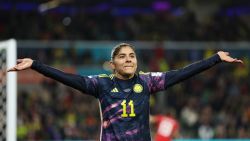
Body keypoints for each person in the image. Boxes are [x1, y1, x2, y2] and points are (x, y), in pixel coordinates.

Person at [8, 43, 243, 141]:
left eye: (132, 55)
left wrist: (215, 59)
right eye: (122, 56)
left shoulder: (148, 82)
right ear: (113, 65)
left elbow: (182, 73)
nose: (128, 59)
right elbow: (69, 79)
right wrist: (37, 65)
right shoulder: (101, 84)